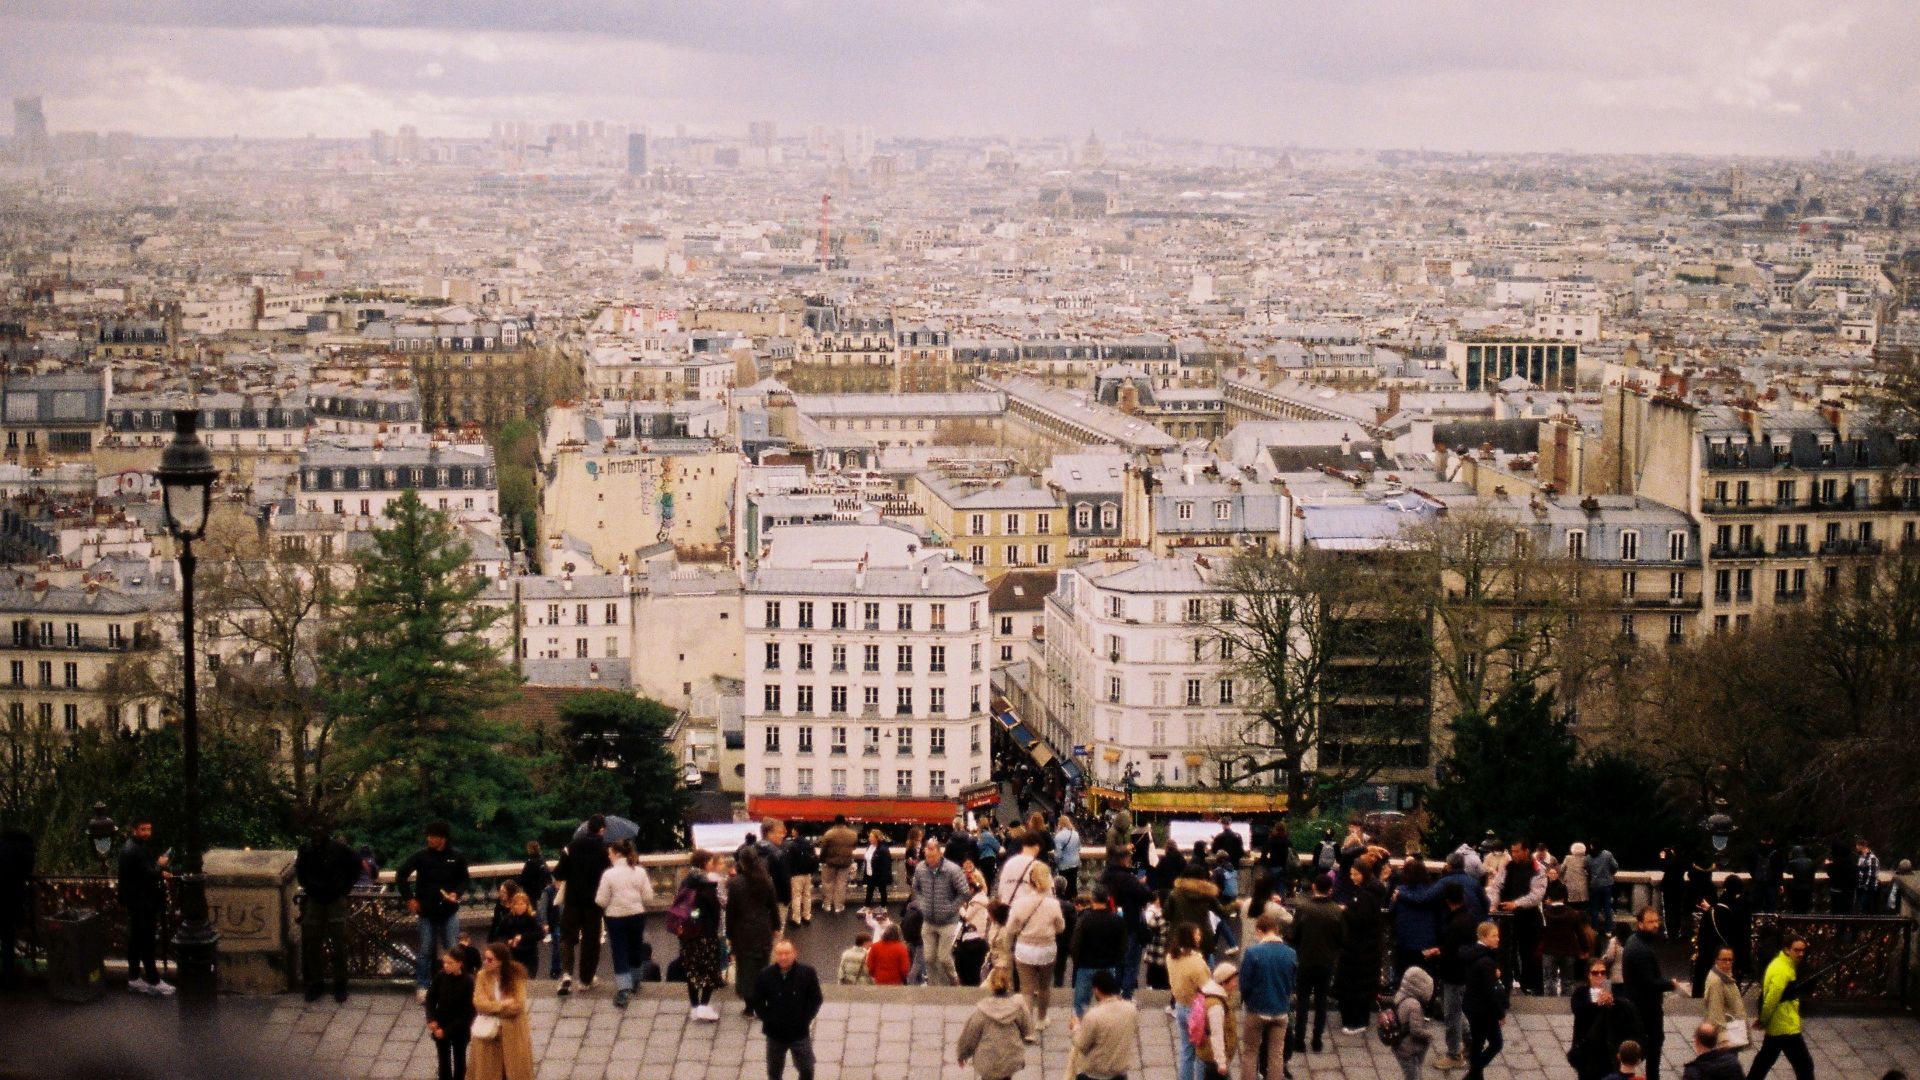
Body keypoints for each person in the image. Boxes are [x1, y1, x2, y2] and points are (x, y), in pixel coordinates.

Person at [295, 824, 360, 1003]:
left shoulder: (339, 850)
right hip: (315, 899)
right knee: (312, 942)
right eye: (313, 833)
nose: (316, 836)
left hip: (334, 899)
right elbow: (299, 869)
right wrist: (308, 885)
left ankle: (340, 984)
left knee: (338, 944)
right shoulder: (306, 850)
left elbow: (356, 865)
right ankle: (316, 982)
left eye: (319, 833)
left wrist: (345, 889)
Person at [1621, 907, 1686, 1080]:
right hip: (1645, 1008)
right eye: (1651, 922)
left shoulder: (1635, 941)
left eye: (1657, 921)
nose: (1656, 925)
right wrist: (1671, 984)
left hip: (1638, 1003)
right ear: (1640, 924)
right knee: (1652, 1046)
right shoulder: (1641, 949)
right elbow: (1648, 983)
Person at [748, 939, 823, 1080]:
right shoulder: (765, 975)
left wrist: (806, 1018)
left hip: (799, 1031)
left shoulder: (807, 973)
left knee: (807, 1069)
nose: (783, 957)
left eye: (787, 953)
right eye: (779, 953)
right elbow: (757, 1001)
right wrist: (768, 1018)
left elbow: (816, 999)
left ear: (795, 954)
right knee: (774, 1071)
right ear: (775, 955)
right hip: (775, 1033)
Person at [1286, 872, 1343, 1057]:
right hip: (1326, 962)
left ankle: (1299, 1040)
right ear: (1331, 890)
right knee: (1320, 1002)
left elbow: (1292, 935)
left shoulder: (1304, 908)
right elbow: (1342, 939)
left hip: (1305, 960)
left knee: (1302, 1001)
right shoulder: (1336, 911)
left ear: (1313, 887)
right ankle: (1317, 1040)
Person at [594, 838, 655, 1008]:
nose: (609, 856)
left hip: (615, 917)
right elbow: (648, 897)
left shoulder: (608, 874)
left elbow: (601, 900)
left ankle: (623, 988)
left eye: (610, 853)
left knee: (620, 951)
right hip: (636, 914)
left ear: (616, 854)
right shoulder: (639, 871)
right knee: (636, 948)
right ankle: (636, 981)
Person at [1238, 910, 1297, 1080]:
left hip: (1257, 1009)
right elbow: (1292, 983)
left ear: (1259, 930)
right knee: (1276, 1055)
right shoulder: (1291, 954)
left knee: (1250, 1052)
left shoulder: (1252, 952)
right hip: (1280, 1010)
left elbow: (1245, 984)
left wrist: (1248, 1001)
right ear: (1277, 930)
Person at [552, 815, 607, 996]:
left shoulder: (572, 846)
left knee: (567, 937)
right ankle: (586, 979)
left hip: (573, 901)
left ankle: (567, 973)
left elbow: (559, 873)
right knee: (591, 940)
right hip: (594, 902)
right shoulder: (603, 849)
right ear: (601, 830)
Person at [117, 818, 173, 996]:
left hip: (135, 902)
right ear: (135, 830)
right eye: (143, 829)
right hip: (143, 902)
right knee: (146, 941)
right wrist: (160, 865)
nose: (147, 833)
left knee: (136, 940)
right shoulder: (136, 850)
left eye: (149, 829)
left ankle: (134, 978)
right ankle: (154, 981)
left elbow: (140, 872)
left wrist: (158, 871)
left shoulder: (131, 847)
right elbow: (148, 873)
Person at [1007, 861, 1065, 1027]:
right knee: (1045, 987)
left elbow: (1011, 928)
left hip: (1025, 948)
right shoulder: (1053, 904)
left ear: (1030, 882)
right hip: (1046, 948)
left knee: (1026, 989)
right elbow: (1061, 928)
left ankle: (1027, 1026)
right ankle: (1041, 1019)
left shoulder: (1019, 903)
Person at [1749, 934, 1814, 1080]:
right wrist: (1763, 1020)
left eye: (1803, 950)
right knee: (1804, 1065)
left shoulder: (1782, 964)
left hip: (1780, 1024)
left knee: (1763, 1062)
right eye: (1797, 950)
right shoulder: (1782, 971)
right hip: (1785, 1024)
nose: (1801, 954)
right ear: (1787, 949)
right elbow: (1772, 999)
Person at [1572, 958, 1647, 1080]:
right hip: (1589, 1052)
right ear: (1588, 975)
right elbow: (1579, 1011)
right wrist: (1597, 1005)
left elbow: (1626, 1017)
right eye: (1595, 973)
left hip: (1609, 1051)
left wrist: (1612, 1003)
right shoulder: (1581, 993)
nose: (1599, 976)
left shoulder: (1616, 994)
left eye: (1603, 972)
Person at [1336, 859, 1387, 1033]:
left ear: (1363, 874)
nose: (1352, 878)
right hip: (1367, 947)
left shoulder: (1365, 895)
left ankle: (1356, 1021)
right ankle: (1359, 1019)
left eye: (1354, 874)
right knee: (1362, 985)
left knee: (1356, 985)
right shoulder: (1368, 891)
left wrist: (1346, 911)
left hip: (1361, 948)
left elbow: (1361, 920)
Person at [957, 964, 1034, 1080]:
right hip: (1011, 1058)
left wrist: (962, 1054)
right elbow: (1028, 1029)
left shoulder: (982, 1010)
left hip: (987, 1061)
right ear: (1008, 984)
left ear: (991, 985)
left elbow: (970, 1036)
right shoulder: (1019, 1005)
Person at [729, 846, 782, 1015]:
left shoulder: (736, 883)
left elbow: (731, 911)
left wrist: (729, 934)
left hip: (743, 930)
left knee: (745, 968)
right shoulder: (766, 880)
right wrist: (776, 925)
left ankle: (749, 1005)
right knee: (762, 965)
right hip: (763, 928)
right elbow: (773, 906)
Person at [911, 838, 971, 986]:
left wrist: (951, 908)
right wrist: (921, 903)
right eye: (927, 855)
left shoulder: (952, 870)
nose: (929, 859)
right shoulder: (920, 869)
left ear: (939, 853)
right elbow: (915, 887)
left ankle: (954, 979)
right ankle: (934, 986)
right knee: (929, 958)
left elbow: (964, 892)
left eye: (932, 856)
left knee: (944, 957)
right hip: (928, 920)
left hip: (948, 921)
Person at [1430, 881, 1476, 1070]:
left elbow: (1451, 952)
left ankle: (1454, 1055)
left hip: (1453, 974)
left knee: (1451, 1015)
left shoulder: (1455, 923)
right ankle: (1471, 1041)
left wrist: (1438, 953)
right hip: (1463, 972)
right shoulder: (1468, 917)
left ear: (1447, 900)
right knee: (1458, 1012)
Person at [468, 943, 533, 1080]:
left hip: (512, 1034)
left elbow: (517, 1007)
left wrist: (490, 1008)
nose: (486, 962)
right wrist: (501, 1004)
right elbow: (478, 1004)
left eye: (490, 959)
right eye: (484, 958)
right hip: (489, 1036)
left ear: (500, 961)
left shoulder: (516, 977)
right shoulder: (482, 976)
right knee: (489, 1073)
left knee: (513, 1072)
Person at [1490, 839, 1546, 996]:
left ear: (1526, 851)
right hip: (1507, 916)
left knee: (1529, 953)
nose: (1513, 854)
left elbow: (1536, 895)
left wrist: (1516, 903)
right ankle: (1505, 985)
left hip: (1528, 916)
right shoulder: (1508, 867)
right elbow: (1496, 886)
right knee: (1505, 952)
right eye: (1512, 851)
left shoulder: (1538, 869)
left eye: (1516, 851)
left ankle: (1531, 987)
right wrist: (1493, 903)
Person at [676, 850, 726, 1021]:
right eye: (711, 861)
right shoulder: (707, 884)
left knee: (692, 971)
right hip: (705, 932)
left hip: (688, 933)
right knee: (709, 970)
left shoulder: (686, 880)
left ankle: (694, 1006)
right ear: (705, 863)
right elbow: (715, 908)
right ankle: (704, 1006)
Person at [1100, 847, 1154, 997]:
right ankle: (1127, 996)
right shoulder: (1128, 879)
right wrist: (1142, 884)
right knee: (1131, 964)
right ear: (1124, 860)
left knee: (1116, 962)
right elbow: (1147, 895)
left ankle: (1115, 994)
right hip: (1130, 924)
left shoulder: (1105, 876)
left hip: (1110, 923)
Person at [1072, 884, 1129, 1017]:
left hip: (1086, 964)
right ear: (1108, 899)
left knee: (1081, 1003)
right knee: (1108, 1001)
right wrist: (1116, 960)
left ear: (1092, 899)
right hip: (1108, 965)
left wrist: (1077, 961)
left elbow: (1075, 944)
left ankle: (1080, 1027)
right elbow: (1123, 946)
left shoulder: (1084, 919)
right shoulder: (1117, 920)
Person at [1461, 921, 1508, 1080]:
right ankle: (1475, 1071)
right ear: (1484, 937)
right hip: (1484, 1010)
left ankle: (1476, 1074)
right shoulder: (1485, 961)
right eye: (1494, 936)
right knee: (1496, 1043)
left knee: (1478, 1041)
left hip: (1472, 1005)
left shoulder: (1473, 954)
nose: (1497, 939)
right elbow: (1490, 992)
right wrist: (1500, 1013)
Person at [1072, 971, 1139, 1080]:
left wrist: (1076, 1027)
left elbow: (1081, 1044)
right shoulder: (1131, 1010)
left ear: (1096, 990)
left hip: (1095, 1074)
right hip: (1120, 1073)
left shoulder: (1093, 1016)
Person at [1168, 922, 1212, 1080]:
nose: (1200, 937)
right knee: (1201, 1054)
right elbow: (1207, 986)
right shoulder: (1196, 963)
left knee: (1186, 1052)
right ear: (1190, 938)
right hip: (1196, 1010)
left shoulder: (1171, 957)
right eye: (1197, 935)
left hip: (1180, 1006)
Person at [426, 949, 476, 1080]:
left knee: (459, 1060)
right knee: (443, 1061)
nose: (446, 966)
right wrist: (431, 1019)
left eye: (450, 963)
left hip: (459, 1027)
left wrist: (446, 1030)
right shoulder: (440, 977)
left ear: (459, 963)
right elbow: (431, 998)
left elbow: (469, 1012)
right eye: (444, 962)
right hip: (441, 1022)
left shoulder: (468, 981)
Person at [1165, 863, 1226, 961]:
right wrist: (1236, 904)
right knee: (1201, 969)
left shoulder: (1175, 893)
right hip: (1202, 938)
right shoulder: (1207, 894)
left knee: (1180, 969)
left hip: (1180, 936)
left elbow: (1166, 915)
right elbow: (1223, 911)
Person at [0, 828, 33, 992]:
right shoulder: (22, 849)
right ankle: (8, 976)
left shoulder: (4, 846)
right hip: (11, 901)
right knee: (8, 940)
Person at [1194, 962, 1239, 1080]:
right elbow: (1216, 1034)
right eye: (1234, 980)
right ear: (1224, 982)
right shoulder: (1216, 1006)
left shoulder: (1216, 995)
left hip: (1208, 1057)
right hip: (1213, 1061)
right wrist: (1221, 1062)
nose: (1236, 984)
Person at [1393, 965, 1437, 1080]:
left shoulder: (1400, 996)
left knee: (1414, 1074)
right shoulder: (1414, 1005)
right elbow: (1416, 1031)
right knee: (1413, 1076)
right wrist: (1430, 1034)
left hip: (1400, 1045)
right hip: (1409, 1049)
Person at [492, 889, 543, 978]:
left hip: (529, 955)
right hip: (513, 954)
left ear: (527, 905)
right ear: (513, 905)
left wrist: (523, 937)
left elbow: (540, 934)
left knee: (528, 980)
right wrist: (508, 941)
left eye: (522, 904)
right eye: (517, 904)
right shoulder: (507, 919)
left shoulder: (531, 919)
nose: (520, 907)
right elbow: (498, 935)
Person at [1701, 948, 1746, 1043]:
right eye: (1724, 959)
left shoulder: (1726, 977)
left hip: (1733, 1028)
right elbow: (1715, 1011)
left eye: (1730, 960)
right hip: (1727, 1033)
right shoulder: (1717, 982)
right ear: (1716, 960)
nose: (1728, 963)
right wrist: (1723, 1039)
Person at [818, 816, 859, 915]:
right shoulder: (853, 834)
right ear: (845, 822)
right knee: (841, 884)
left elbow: (823, 849)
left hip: (830, 862)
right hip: (845, 862)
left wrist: (822, 860)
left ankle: (827, 905)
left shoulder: (829, 834)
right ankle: (838, 906)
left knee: (828, 883)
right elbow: (854, 847)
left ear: (835, 822)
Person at [997, 830, 1044, 904]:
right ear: (1037, 847)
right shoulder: (1038, 866)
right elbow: (1046, 893)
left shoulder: (1008, 864)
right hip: (1028, 909)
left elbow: (1000, 890)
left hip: (1009, 908)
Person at [785, 827, 819, 926]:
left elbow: (789, 861)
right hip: (807, 874)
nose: (792, 831)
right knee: (807, 896)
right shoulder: (809, 844)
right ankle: (807, 916)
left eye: (793, 829)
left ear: (796, 831)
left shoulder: (792, 845)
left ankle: (797, 919)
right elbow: (814, 859)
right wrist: (812, 871)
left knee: (796, 896)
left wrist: (789, 873)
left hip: (796, 875)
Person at [1590, 844, 1620, 934]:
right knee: (1607, 907)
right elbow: (1615, 866)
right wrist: (1611, 873)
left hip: (1595, 884)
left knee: (1595, 907)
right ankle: (1608, 930)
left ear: (1591, 846)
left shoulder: (1589, 856)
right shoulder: (1608, 854)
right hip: (1607, 884)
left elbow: (1587, 867)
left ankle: (1594, 929)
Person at [862, 829, 894, 909]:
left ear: (877, 838)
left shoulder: (883, 849)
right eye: (869, 837)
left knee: (882, 890)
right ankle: (867, 905)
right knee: (869, 890)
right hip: (870, 872)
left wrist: (885, 876)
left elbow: (887, 864)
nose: (869, 838)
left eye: (871, 837)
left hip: (879, 874)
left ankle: (883, 906)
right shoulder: (869, 847)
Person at [1259, 822, 1293, 898]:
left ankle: (1272, 905)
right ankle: (1281, 903)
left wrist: (1265, 863)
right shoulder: (1287, 841)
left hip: (1273, 866)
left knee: (1272, 889)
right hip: (1284, 867)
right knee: (1281, 887)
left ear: (1275, 829)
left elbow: (1264, 854)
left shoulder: (1271, 840)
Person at [1056, 816, 1083, 895]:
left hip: (1064, 864)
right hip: (1075, 862)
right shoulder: (1075, 834)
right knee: (1073, 885)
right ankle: (1074, 902)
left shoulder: (1059, 836)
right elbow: (1079, 848)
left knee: (1064, 887)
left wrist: (1057, 863)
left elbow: (1058, 854)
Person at [1784, 847, 1816, 916]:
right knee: (1806, 907)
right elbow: (1813, 872)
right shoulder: (1809, 861)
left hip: (1796, 887)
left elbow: (1788, 872)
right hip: (1808, 887)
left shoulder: (1793, 862)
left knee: (1797, 907)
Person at [1854, 838, 1881, 914]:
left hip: (1868, 887)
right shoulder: (1861, 858)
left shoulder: (1872, 858)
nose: (1856, 848)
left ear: (1862, 846)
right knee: (1861, 907)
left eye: (1857, 846)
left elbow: (1872, 875)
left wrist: (1866, 886)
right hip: (1861, 886)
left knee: (1864, 907)